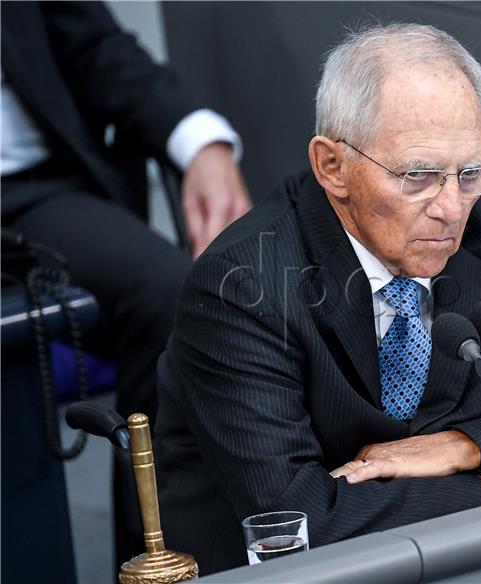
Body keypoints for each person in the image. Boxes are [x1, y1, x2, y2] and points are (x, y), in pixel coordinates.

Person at [155, 23, 481, 575]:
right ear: (332, 166)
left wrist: (466, 447)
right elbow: (301, 525)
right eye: (419, 176)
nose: (452, 208)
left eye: (470, 174)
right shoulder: (241, 285)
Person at [0, 0, 250, 568]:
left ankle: (157, 564)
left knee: (170, 295)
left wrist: (201, 143)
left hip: (31, 192)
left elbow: (97, 47)